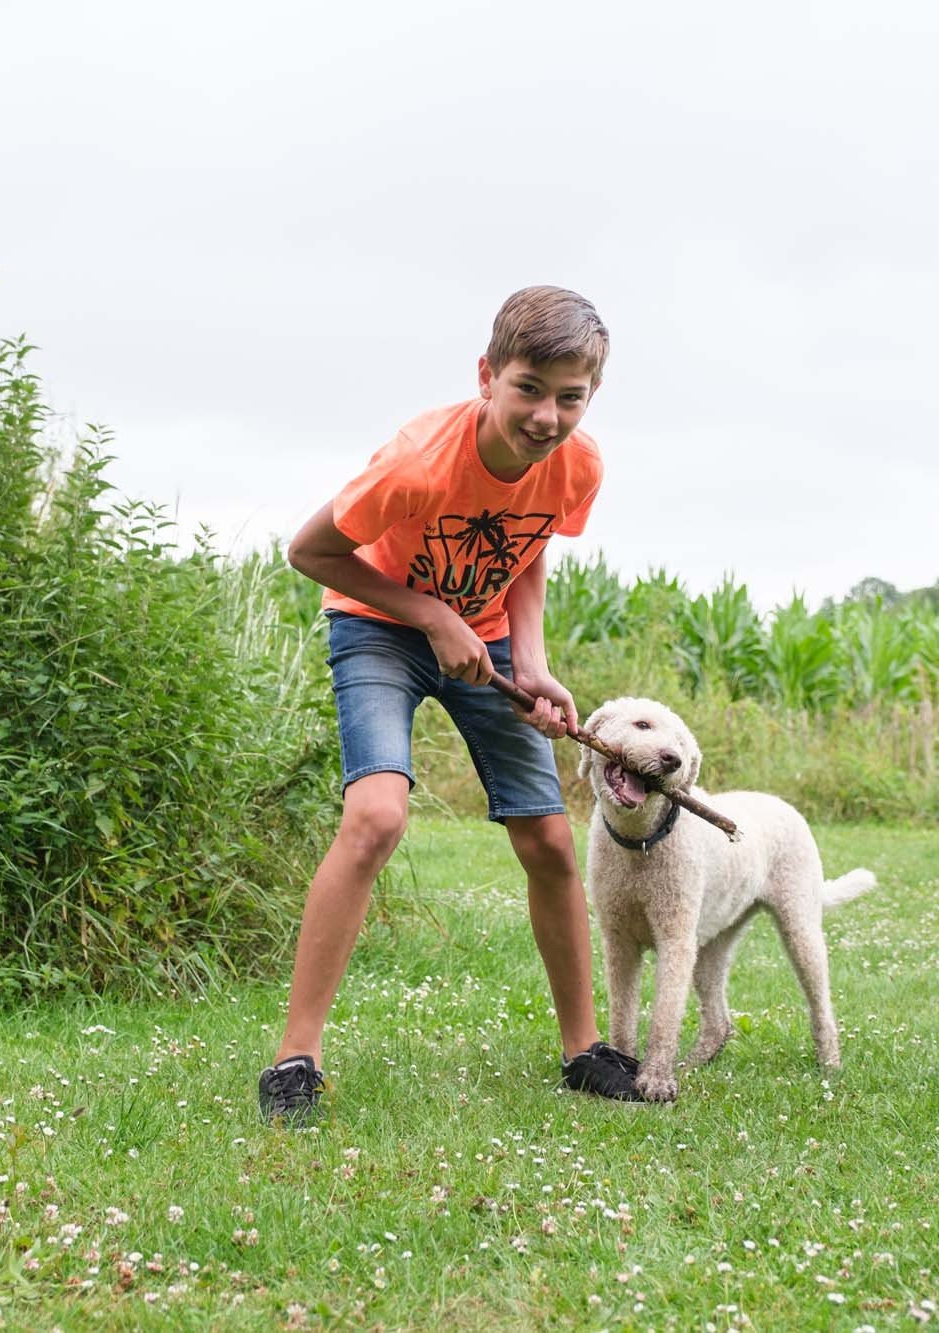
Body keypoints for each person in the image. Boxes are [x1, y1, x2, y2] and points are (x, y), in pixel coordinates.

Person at [258, 285, 641, 1125]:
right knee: (376, 817)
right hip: (379, 627)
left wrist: (530, 661)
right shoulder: (417, 461)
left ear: (592, 395)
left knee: (546, 837)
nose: (547, 415)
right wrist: (431, 615)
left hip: (489, 639)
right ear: (487, 375)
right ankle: (295, 1058)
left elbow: (528, 548)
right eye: (529, 389)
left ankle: (584, 1051)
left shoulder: (579, 464)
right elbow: (309, 550)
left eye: (569, 397)